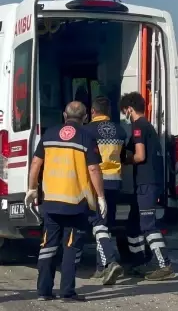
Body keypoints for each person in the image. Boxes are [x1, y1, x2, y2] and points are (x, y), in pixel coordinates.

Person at [25, 101, 107, 302]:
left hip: (51, 201)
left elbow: (36, 163)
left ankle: (44, 291)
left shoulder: (50, 134)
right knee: (71, 248)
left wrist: (32, 188)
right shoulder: (87, 137)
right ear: (85, 117)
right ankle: (67, 292)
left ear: (64, 115)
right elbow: (94, 169)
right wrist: (101, 197)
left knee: (48, 246)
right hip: (76, 203)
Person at [120, 92, 174, 280]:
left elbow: (140, 156)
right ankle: (139, 262)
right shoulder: (148, 127)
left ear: (129, 109)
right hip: (147, 182)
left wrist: (125, 160)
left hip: (146, 183)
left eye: (124, 111)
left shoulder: (138, 127)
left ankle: (164, 264)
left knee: (147, 225)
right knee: (132, 225)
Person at [83, 96, 127, 284]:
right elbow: (123, 156)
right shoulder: (120, 130)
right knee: (105, 224)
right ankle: (101, 267)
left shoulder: (86, 131)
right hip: (115, 182)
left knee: (97, 223)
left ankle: (110, 262)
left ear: (93, 112)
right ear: (108, 111)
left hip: (97, 182)